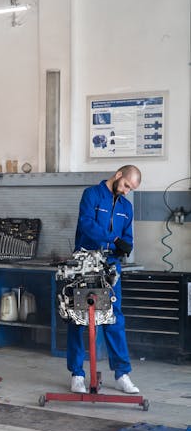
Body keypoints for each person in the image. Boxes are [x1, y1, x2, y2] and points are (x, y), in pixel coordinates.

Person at [68, 165, 142, 394]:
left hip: (110, 265)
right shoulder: (91, 194)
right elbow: (87, 224)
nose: (127, 191)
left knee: (114, 317)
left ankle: (122, 373)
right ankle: (77, 374)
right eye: (127, 185)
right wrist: (114, 238)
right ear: (118, 175)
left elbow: (127, 237)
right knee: (78, 317)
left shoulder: (126, 207)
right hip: (85, 262)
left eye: (132, 189)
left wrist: (123, 247)